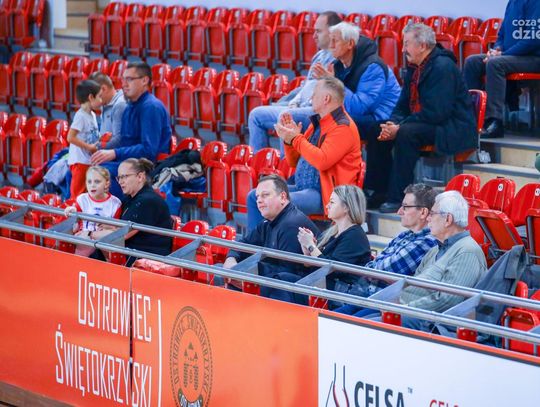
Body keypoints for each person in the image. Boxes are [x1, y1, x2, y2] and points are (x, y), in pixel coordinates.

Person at [376, 23, 477, 213]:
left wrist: (400, 127)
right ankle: (378, 191)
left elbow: (437, 112)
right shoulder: (414, 67)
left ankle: (398, 198)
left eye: (407, 43)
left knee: (406, 133)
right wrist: (392, 124)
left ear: (422, 46)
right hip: (430, 122)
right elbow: (402, 104)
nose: (403, 49)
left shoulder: (443, 67)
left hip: (452, 127)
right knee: (379, 129)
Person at [246, 77, 362, 231]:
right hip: (305, 188)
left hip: (326, 195)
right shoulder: (319, 122)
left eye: (315, 94)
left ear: (326, 99)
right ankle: (257, 243)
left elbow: (322, 161)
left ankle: (264, 243)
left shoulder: (343, 127)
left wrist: (296, 139)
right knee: (255, 196)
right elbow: (294, 162)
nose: (311, 98)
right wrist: (289, 141)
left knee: (272, 201)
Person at [368, 191, 488, 332]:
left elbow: (448, 300)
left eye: (432, 214)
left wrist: (405, 308)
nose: (428, 218)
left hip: (430, 323)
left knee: (366, 327)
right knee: (359, 320)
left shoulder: (467, 251)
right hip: (408, 313)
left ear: (448, 219)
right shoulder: (435, 249)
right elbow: (412, 284)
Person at [335, 183, 438, 314]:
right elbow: (374, 266)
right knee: (328, 316)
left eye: (405, 207)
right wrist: (372, 269)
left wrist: (372, 269)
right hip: (368, 295)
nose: (399, 212)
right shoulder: (405, 235)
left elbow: (385, 270)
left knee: (340, 319)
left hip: (386, 304)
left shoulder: (427, 242)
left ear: (423, 212)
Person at [247, 11, 342, 153]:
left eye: (318, 31)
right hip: (301, 105)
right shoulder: (319, 55)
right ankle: (260, 164)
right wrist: (289, 101)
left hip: (318, 110)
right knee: (256, 115)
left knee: (286, 116)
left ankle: (286, 164)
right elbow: (306, 87)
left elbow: (338, 93)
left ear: (332, 32)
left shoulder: (339, 58)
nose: (314, 36)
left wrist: (330, 79)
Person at [224, 175, 319, 303]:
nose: (259, 201)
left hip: (297, 298)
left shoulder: (291, 225)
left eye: (265, 195)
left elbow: (288, 274)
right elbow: (245, 243)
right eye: (258, 197)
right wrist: (231, 259)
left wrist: (249, 274)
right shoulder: (268, 221)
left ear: (283, 197)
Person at [91, 61, 172, 197]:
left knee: (100, 174)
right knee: (84, 166)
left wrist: (114, 153)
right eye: (123, 79)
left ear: (144, 81)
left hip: (146, 168)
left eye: (129, 79)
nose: (124, 84)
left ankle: (118, 210)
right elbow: (124, 142)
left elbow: (148, 151)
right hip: (128, 163)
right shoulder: (130, 106)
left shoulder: (151, 107)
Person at [464, 0, 540, 138]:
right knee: (472, 62)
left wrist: (502, 54)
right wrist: (497, 49)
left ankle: (494, 121)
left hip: (534, 58)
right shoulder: (512, 2)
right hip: (512, 56)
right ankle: (471, 118)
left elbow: (533, 40)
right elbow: (502, 34)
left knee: (495, 63)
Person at [312, 22, 401, 137]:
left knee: (324, 121)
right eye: (330, 40)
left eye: (335, 41)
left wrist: (333, 83)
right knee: (312, 117)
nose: (331, 45)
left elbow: (360, 108)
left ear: (350, 44)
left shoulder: (373, 67)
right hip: (356, 115)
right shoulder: (338, 65)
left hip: (380, 119)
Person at [91, 158, 173, 267]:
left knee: (90, 246)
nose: (120, 182)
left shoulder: (147, 201)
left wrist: (90, 234)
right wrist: (108, 226)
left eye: (124, 176)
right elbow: (121, 228)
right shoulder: (130, 199)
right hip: (133, 252)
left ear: (140, 177)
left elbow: (121, 235)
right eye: (119, 178)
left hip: (148, 258)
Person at [297, 185, 371, 300]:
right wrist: (307, 249)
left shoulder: (355, 236)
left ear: (346, 207)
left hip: (337, 296)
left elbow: (331, 269)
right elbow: (311, 266)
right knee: (280, 278)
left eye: (332, 202)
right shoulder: (332, 231)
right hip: (321, 287)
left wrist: (311, 246)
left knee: (282, 281)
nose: (327, 206)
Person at [64, 166, 122, 256]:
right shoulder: (82, 199)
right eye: (89, 182)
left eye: (97, 181)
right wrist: (71, 210)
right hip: (84, 238)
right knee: (83, 240)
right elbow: (75, 217)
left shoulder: (115, 203)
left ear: (106, 184)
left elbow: (115, 228)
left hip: (104, 240)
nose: (92, 185)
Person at [66, 80, 103, 198]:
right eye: (99, 97)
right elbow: (70, 137)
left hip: (88, 161)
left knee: (86, 194)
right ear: (91, 97)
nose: (101, 100)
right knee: (78, 195)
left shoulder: (92, 115)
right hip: (80, 162)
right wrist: (89, 147)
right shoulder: (80, 116)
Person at [88, 71, 127, 149]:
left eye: (93, 95)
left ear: (103, 89)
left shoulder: (120, 105)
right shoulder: (105, 103)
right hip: (105, 152)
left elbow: (119, 141)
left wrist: (95, 147)